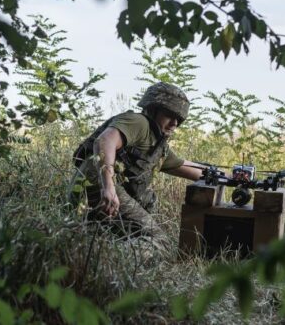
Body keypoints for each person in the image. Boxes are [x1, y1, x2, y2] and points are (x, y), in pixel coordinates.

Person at [71, 82, 208, 243]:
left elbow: (192, 169)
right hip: (100, 186)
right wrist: (108, 186)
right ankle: (114, 263)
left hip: (97, 190)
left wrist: (236, 176)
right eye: (169, 115)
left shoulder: (157, 147)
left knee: (112, 238)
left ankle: (101, 253)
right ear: (152, 109)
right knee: (159, 241)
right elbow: (105, 140)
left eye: (178, 119)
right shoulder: (139, 122)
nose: (175, 123)